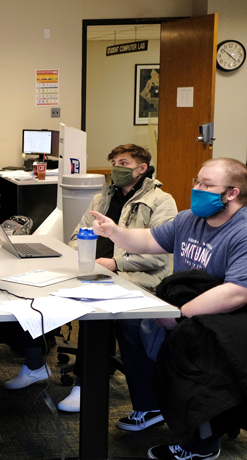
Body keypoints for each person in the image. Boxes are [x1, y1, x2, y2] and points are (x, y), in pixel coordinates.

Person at [90, 158, 247, 460]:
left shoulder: (241, 231)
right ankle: (152, 406)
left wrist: (179, 314)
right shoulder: (190, 219)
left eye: (206, 185)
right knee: (130, 324)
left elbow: (238, 292)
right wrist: (114, 232)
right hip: (189, 303)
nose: (197, 189)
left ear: (232, 193)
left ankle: (202, 444)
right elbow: (149, 240)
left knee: (187, 343)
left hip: (226, 319)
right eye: (196, 181)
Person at [56, 144, 177, 413]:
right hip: (95, 270)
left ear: (141, 168)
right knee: (45, 291)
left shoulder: (161, 201)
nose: (116, 168)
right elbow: (77, 236)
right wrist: (82, 257)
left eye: (123, 163)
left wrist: (114, 262)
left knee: (96, 311)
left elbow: (159, 255)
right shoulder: (102, 198)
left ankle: (84, 385)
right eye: (114, 162)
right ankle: (33, 365)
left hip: (138, 277)